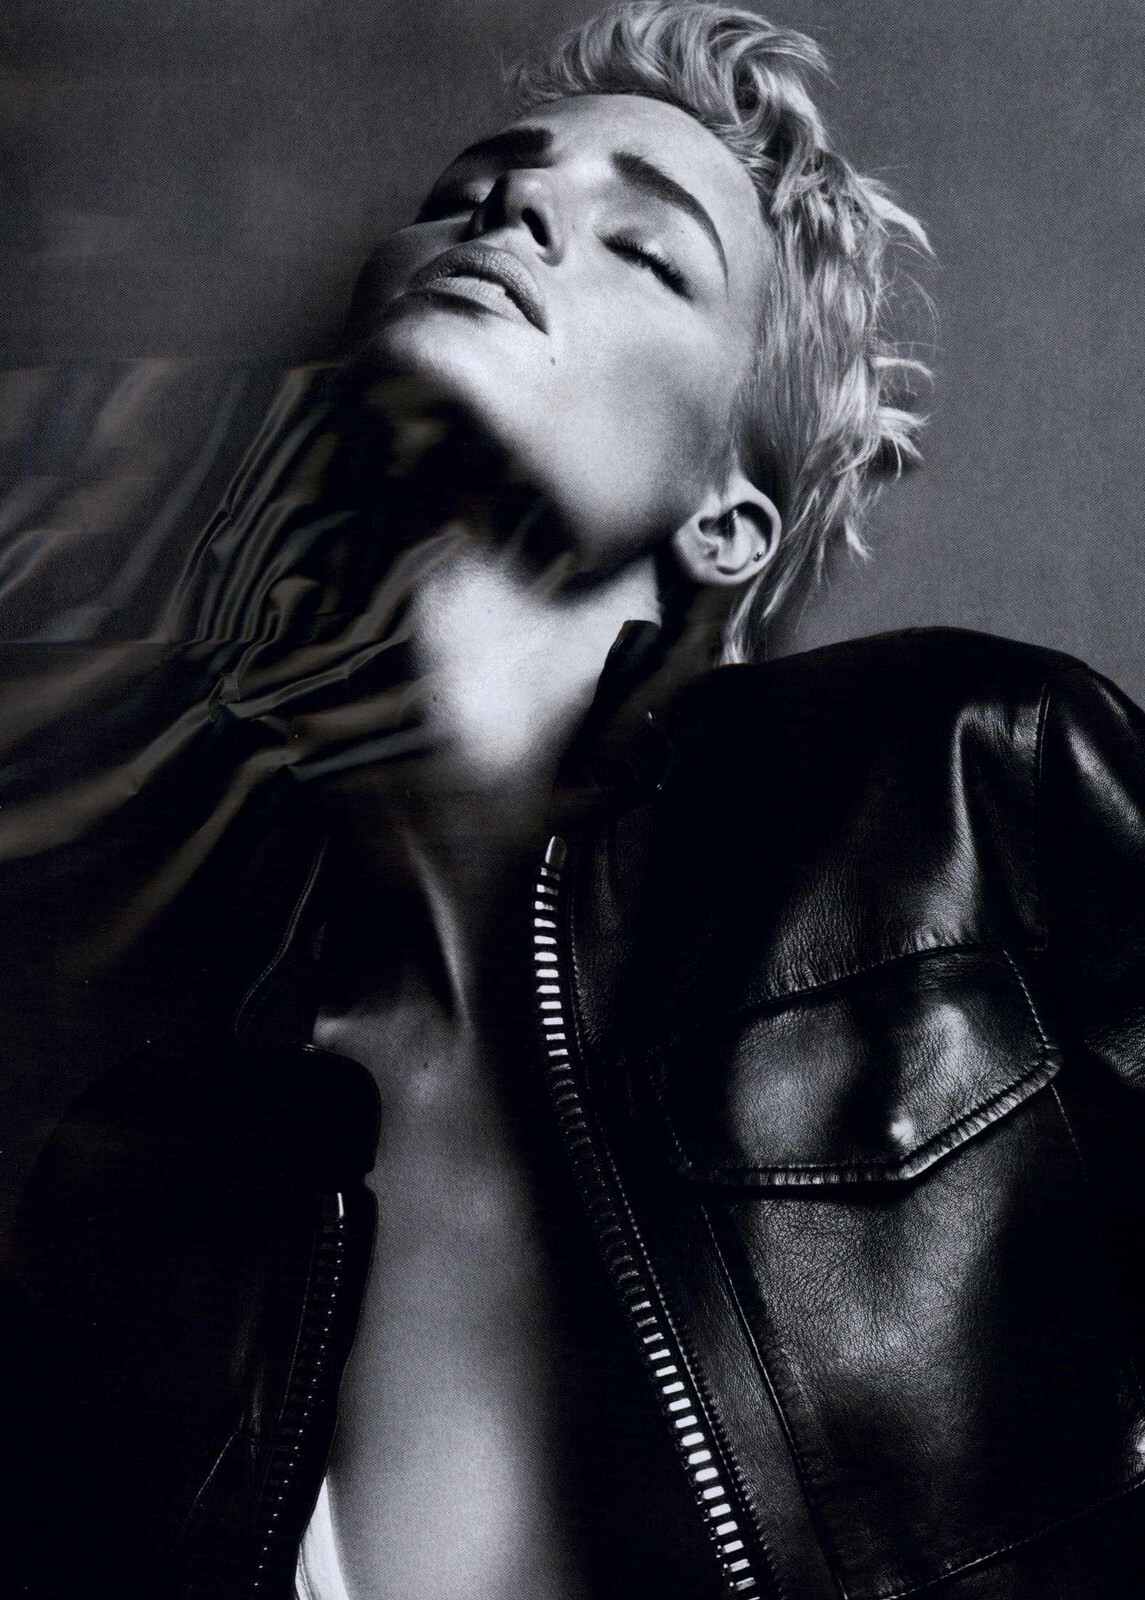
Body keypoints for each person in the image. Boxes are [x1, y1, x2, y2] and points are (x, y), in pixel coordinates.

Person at [9, 3, 1145, 1598]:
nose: (518, 208)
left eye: (647, 250)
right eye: (473, 191)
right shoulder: (149, 1153)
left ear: (727, 523)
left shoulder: (969, 781)